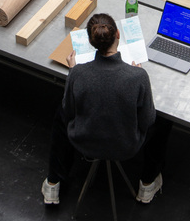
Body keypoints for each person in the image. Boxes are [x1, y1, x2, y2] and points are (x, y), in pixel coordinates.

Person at [41, 13, 169, 205]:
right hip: (125, 146)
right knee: (163, 122)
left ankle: (53, 183)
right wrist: (139, 76)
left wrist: (73, 72)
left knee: (61, 114)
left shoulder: (78, 73)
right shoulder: (138, 77)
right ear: (118, 34)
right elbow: (147, 120)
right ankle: (147, 185)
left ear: (90, 41)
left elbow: (69, 111)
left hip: (84, 142)